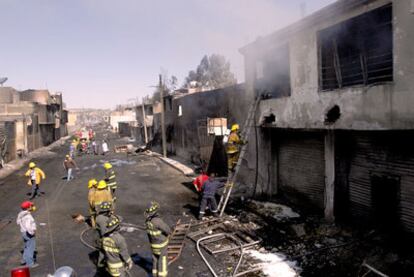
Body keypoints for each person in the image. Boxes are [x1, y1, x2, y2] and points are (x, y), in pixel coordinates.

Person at [145, 201, 171, 277]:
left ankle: (154, 274)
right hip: (161, 245)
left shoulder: (147, 222)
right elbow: (168, 230)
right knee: (162, 260)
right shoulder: (158, 221)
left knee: (155, 259)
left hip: (153, 245)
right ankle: (161, 275)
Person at [16, 201, 38, 268]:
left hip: (24, 233)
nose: (33, 207)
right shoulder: (28, 216)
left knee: (26, 247)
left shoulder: (21, 214)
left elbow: (18, 222)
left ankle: (24, 260)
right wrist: (32, 232)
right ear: (28, 208)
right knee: (30, 248)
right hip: (28, 233)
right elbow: (28, 226)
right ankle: (30, 263)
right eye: (31, 206)